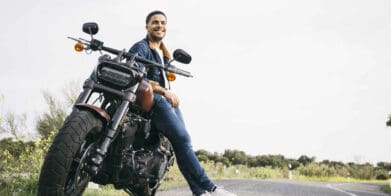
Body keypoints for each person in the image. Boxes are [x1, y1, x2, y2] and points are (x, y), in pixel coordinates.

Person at [129, 10, 237, 196]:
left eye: (163, 23)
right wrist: (164, 91)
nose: (159, 25)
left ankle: (198, 192)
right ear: (147, 26)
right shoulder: (142, 47)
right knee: (183, 140)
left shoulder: (162, 53)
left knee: (181, 144)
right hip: (156, 99)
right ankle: (211, 188)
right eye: (155, 22)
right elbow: (138, 76)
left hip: (167, 101)